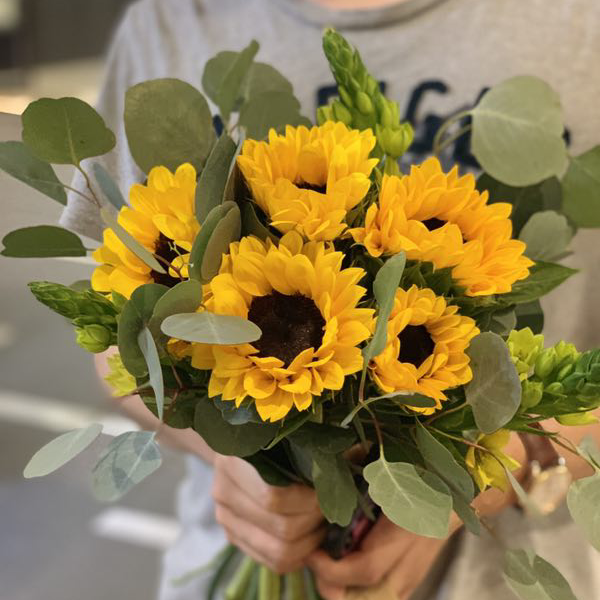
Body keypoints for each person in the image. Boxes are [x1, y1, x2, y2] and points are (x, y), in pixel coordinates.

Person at [62, 0, 600, 598]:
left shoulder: (583, 24)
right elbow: (121, 342)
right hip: (232, 552)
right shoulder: (171, 19)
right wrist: (243, 462)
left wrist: (505, 470)